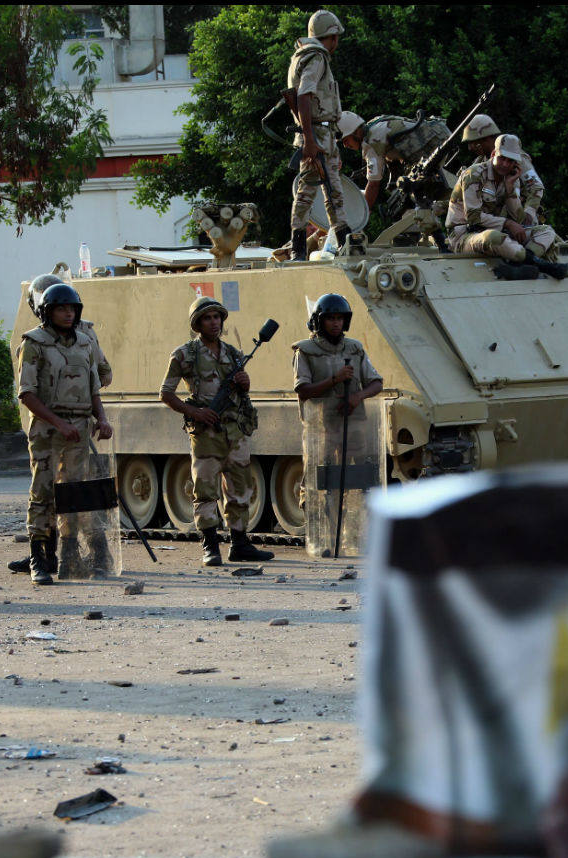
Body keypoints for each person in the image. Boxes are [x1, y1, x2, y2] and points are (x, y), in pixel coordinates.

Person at [8, 273, 115, 574]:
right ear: (47, 311)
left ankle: (71, 555)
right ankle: (39, 558)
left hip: (78, 428)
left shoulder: (85, 342)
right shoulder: (34, 343)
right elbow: (26, 394)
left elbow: (95, 386)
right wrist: (58, 423)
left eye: (72, 309)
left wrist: (101, 419)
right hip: (47, 429)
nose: (68, 314)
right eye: (61, 309)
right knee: (43, 492)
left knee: (75, 494)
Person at [159, 297, 276, 567]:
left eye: (217, 317)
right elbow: (166, 393)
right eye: (207, 318)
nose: (214, 323)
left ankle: (240, 544)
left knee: (240, 488)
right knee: (205, 489)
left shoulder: (233, 354)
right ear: (197, 323)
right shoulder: (184, 354)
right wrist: (195, 412)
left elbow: (241, 393)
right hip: (206, 432)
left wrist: (244, 384)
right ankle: (210, 546)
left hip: (235, 431)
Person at [445, 134, 567, 279]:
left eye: (510, 161)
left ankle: (516, 267)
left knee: (547, 232)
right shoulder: (474, 174)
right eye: (502, 158)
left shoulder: (511, 179)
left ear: (516, 163)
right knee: (494, 237)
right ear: (493, 154)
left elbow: (519, 219)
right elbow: (473, 217)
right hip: (464, 236)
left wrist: (510, 190)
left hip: (498, 232)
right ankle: (543, 266)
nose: (505, 164)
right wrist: (508, 223)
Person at [286, 9, 350, 261]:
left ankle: (344, 243)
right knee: (309, 193)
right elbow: (304, 95)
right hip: (317, 134)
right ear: (332, 36)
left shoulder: (304, 56)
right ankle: (298, 249)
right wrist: (310, 140)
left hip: (321, 133)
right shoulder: (317, 57)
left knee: (332, 193)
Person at [294, 292, 384, 417]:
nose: (336, 324)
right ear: (320, 321)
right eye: (330, 318)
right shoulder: (305, 351)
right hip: (319, 424)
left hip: (354, 424)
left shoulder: (355, 349)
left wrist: (358, 396)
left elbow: (377, 384)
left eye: (340, 318)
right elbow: (303, 391)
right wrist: (335, 379)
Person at [339, 110, 448, 209]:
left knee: (422, 198)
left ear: (356, 132)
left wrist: (365, 212)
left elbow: (373, 184)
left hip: (434, 145)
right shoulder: (374, 124)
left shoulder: (371, 143)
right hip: (438, 134)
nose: (345, 145)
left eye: (346, 140)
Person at [462, 114, 545, 217]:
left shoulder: (516, 158)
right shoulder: (480, 162)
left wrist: (529, 214)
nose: (470, 148)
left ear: (488, 139)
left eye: (475, 143)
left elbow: (536, 188)